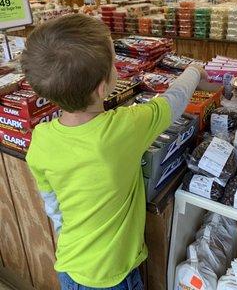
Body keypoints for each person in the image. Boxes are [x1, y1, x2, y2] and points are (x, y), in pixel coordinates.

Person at [21, 14, 207, 290]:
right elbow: (174, 101)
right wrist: (194, 71)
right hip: (114, 275)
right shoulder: (123, 128)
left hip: (70, 265)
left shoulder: (42, 138)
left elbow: (52, 204)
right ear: (102, 87)